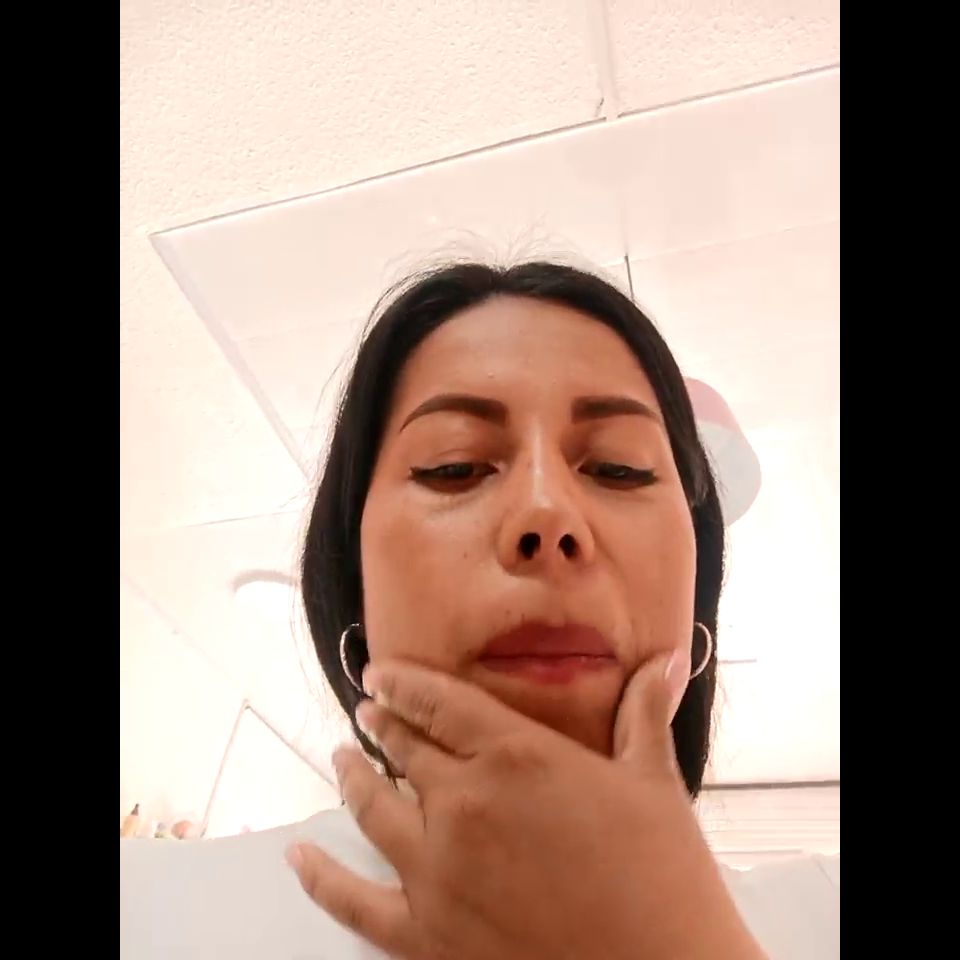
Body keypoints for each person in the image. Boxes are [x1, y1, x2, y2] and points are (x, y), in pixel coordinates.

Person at [119, 261, 839, 959]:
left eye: (620, 467)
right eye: (454, 466)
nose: (547, 512)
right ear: (356, 587)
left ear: (695, 599)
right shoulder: (145, 910)